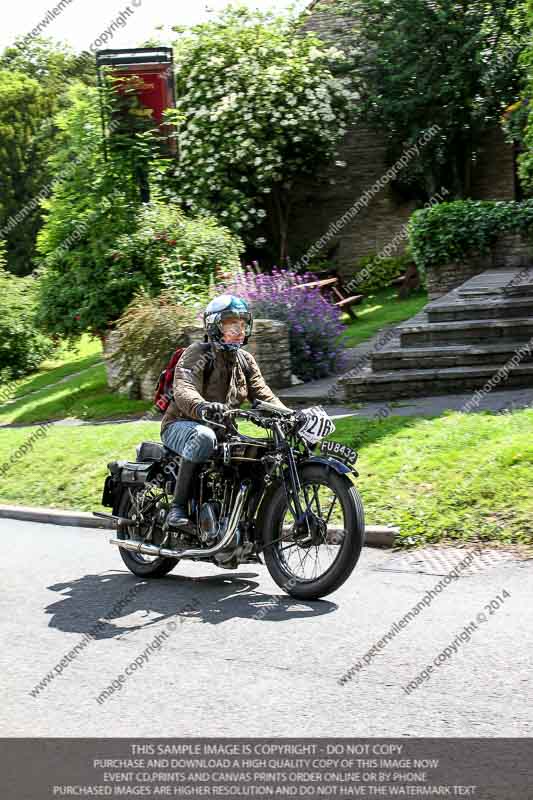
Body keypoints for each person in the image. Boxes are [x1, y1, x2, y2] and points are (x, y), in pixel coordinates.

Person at [160, 294, 291, 529]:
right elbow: (184, 389)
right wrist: (204, 407)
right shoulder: (198, 353)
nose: (239, 330)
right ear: (215, 327)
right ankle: (177, 509)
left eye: (242, 324)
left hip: (223, 431)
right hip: (181, 425)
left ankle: (239, 523)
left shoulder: (245, 360)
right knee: (203, 436)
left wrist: (292, 416)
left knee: (260, 454)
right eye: (232, 324)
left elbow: (264, 396)